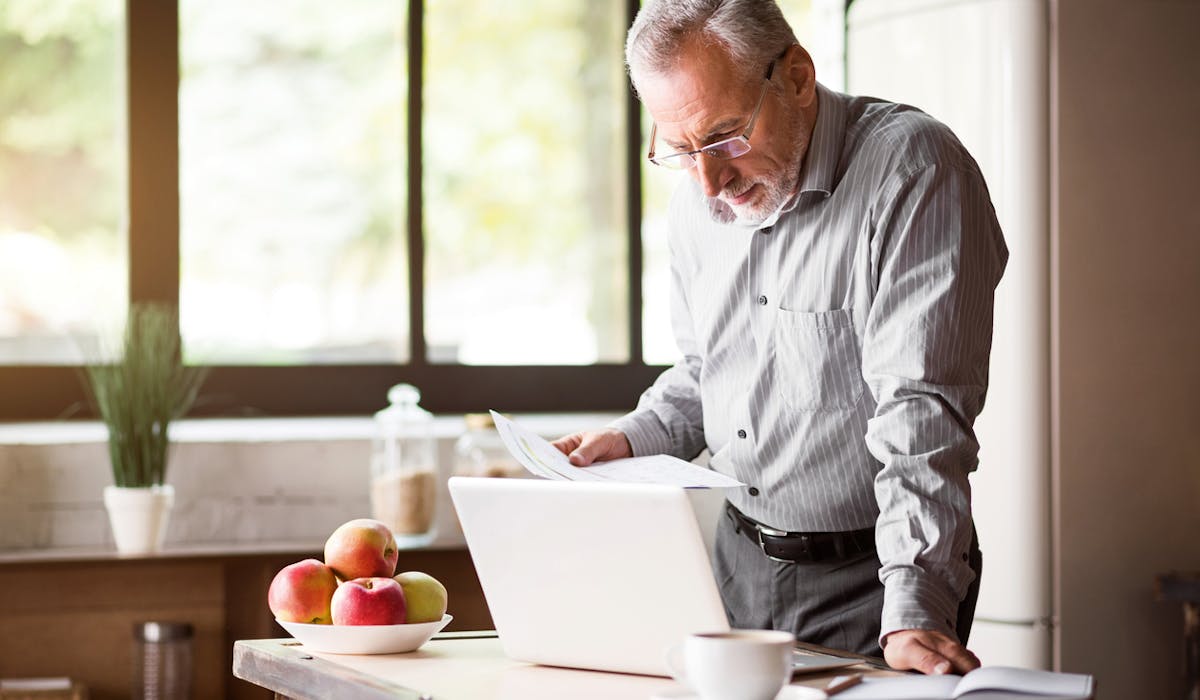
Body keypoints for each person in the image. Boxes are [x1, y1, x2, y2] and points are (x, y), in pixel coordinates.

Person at [551, 0, 1008, 676]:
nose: (709, 182)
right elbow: (710, 369)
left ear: (795, 77)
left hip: (871, 579)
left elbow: (922, 409)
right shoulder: (699, 204)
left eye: (725, 137)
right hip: (734, 570)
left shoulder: (914, 169)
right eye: (680, 151)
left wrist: (915, 607)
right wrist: (634, 434)